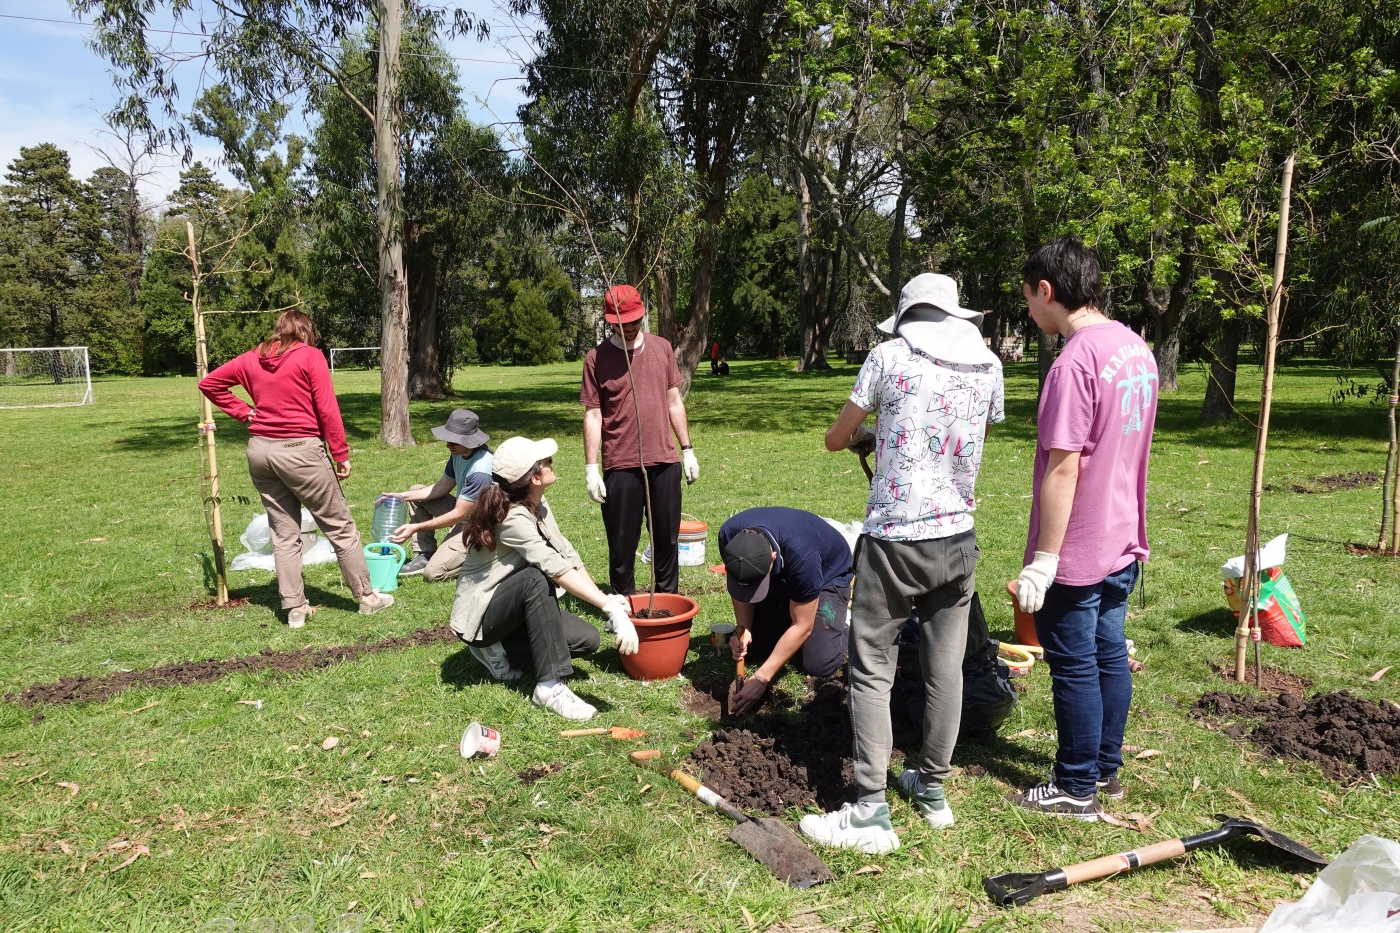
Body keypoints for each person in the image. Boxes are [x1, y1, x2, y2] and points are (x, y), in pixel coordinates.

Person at [804, 273, 1004, 854]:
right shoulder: (988, 364)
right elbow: (971, 429)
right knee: (947, 669)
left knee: (870, 669)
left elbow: (837, 438)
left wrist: (874, 434)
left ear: (907, 315)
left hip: (895, 540)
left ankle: (869, 809)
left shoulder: (888, 356)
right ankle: (933, 791)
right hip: (958, 539)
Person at [1012, 236, 1158, 819]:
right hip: (1123, 537)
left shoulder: (1074, 362)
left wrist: (1045, 559)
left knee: (1074, 662)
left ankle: (1075, 786)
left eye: (1028, 299)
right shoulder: (1134, 347)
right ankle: (1105, 772)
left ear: (1047, 291)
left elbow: (1063, 463)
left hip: (1078, 546)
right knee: (1108, 656)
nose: (1028, 311)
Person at [199, 310, 393, 627]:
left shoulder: (251, 358)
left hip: (261, 453)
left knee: (284, 533)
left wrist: (245, 413)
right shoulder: (309, 356)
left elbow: (210, 383)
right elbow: (327, 406)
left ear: (279, 331)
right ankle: (368, 598)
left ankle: (295, 608)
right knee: (339, 526)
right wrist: (340, 452)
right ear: (306, 332)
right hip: (300, 451)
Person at [449, 435, 639, 721]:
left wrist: (605, 598)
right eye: (546, 461)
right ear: (535, 478)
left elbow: (566, 555)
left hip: (513, 606)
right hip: (483, 615)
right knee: (536, 579)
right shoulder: (512, 517)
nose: (552, 463)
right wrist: (608, 607)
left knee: (587, 640)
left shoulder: (537, 502)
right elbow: (554, 569)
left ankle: (501, 650)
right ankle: (549, 687)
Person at [581, 284, 699, 596]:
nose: (630, 327)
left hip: (664, 461)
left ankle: (667, 600)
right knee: (621, 545)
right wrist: (591, 468)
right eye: (622, 323)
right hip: (621, 464)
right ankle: (623, 606)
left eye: (635, 320)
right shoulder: (596, 359)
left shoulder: (661, 348)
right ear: (611, 321)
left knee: (666, 540)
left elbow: (674, 402)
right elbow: (593, 415)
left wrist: (687, 450)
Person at [719, 508, 854, 715]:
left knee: (819, 662)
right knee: (756, 650)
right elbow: (741, 585)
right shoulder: (730, 537)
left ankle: (841, 625)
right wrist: (744, 628)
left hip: (828, 575)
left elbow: (802, 625)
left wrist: (762, 678)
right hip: (784, 575)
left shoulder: (803, 555)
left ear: (773, 557)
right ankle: (788, 609)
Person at [385, 410, 492, 581]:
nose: (448, 445)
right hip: (464, 509)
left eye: (453, 441)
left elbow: (458, 515)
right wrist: (402, 496)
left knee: (433, 573)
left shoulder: (481, 470)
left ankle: (483, 560)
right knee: (416, 491)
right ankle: (425, 553)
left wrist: (416, 527)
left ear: (469, 441)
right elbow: (443, 486)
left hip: (478, 525)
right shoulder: (459, 453)